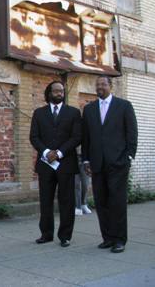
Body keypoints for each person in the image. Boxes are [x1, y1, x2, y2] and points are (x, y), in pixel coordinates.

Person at [82, 75, 137, 254]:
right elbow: (86, 137)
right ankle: (107, 238)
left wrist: (128, 157)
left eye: (103, 84)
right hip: (97, 164)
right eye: (97, 84)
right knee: (101, 202)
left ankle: (119, 240)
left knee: (117, 202)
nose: (100, 87)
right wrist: (86, 159)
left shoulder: (124, 106)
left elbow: (132, 133)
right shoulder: (89, 109)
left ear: (110, 86)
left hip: (118, 163)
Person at [30, 81, 82, 247]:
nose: (60, 93)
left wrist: (58, 153)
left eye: (62, 91)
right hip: (45, 164)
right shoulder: (39, 113)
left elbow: (76, 137)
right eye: (56, 91)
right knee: (45, 200)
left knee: (66, 201)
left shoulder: (73, 113)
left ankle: (65, 236)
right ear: (49, 93)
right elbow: (34, 137)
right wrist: (46, 153)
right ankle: (46, 234)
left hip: (65, 163)